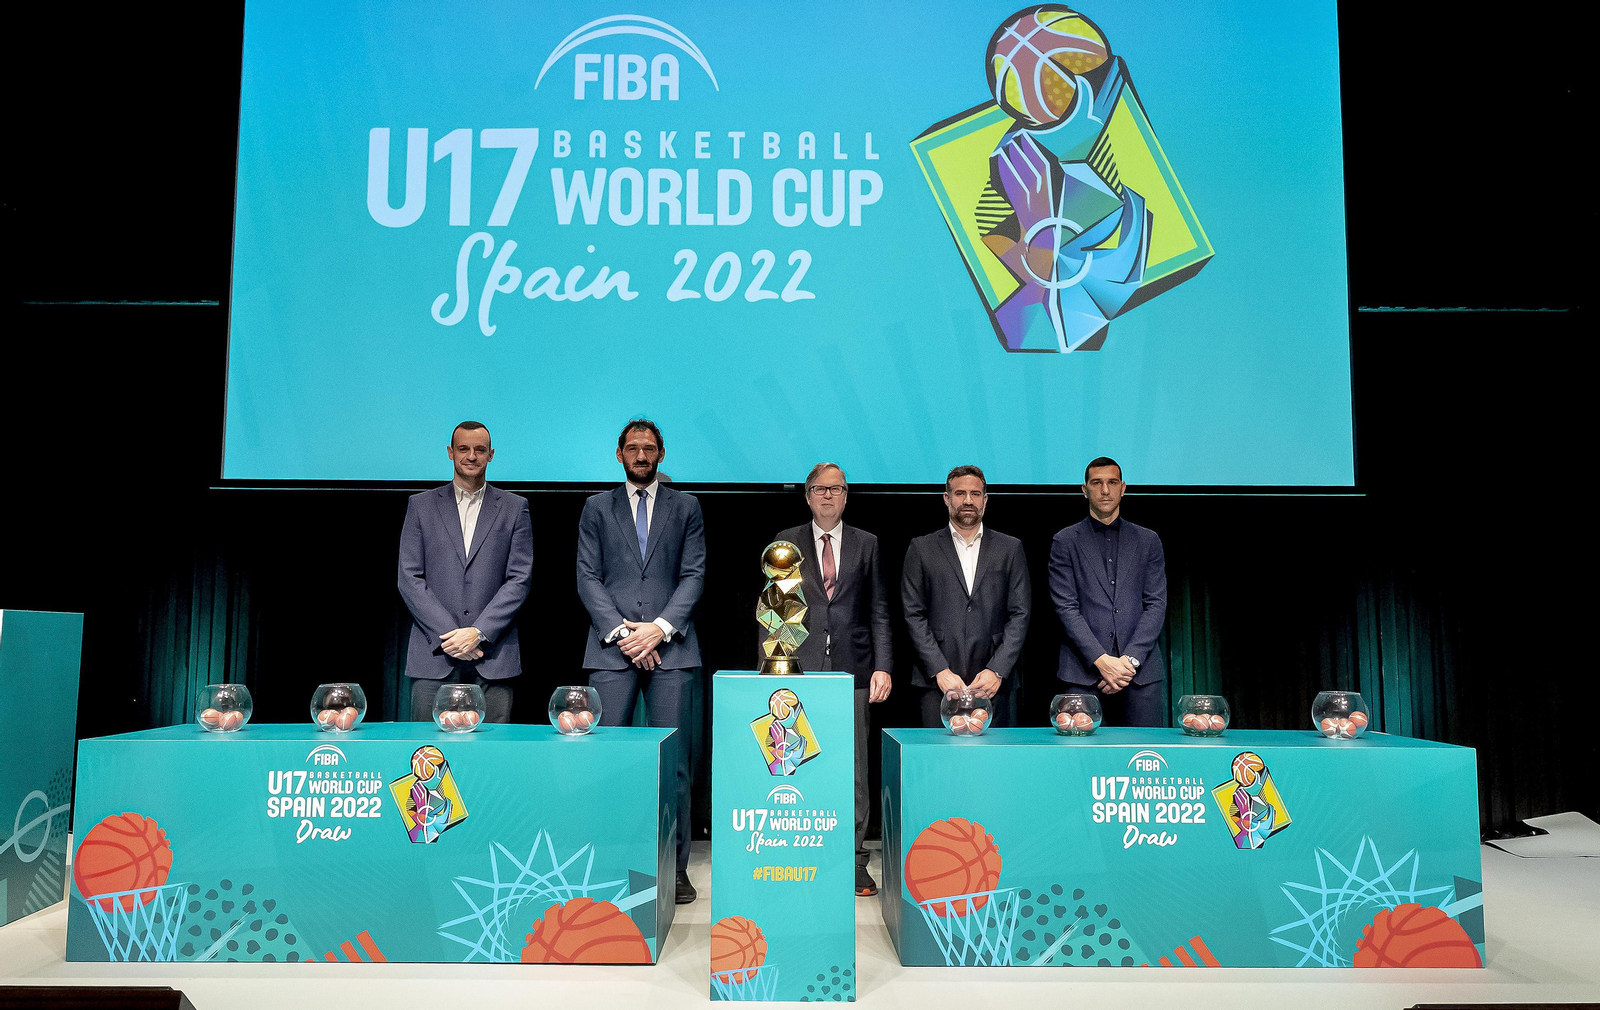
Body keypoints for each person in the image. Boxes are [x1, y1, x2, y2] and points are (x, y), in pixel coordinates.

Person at [577, 418, 706, 904]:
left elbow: (693, 575)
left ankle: (673, 869)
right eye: (632, 448)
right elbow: (587, 576)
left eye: (649, 448)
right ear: (619, 454)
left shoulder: (687, 507)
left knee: (673, 766)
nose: (640, 455)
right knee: (608, 760)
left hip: (670, 648)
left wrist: (658, 630)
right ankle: (610, 862)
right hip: (612, 648)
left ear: (661, 453)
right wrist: (623, 633)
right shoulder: (595, 508)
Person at [769, 463, 892, 897]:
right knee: (795, 762)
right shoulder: (785, 542)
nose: (827, 496)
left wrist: (883, 665)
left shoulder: (868, 543)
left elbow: (879, 609)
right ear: (807, 495)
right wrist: (773, 671)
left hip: (853, 668)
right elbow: (775, 614)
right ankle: (799, 854)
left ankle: (855, 859)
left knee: (855, 769)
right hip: (797, 670)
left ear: (845, 495)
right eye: (819, 489)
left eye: (836, 489)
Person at [397, 421, 533, 723]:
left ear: (491, 454)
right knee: (427, 754)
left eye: (479, 450)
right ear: (450, 452)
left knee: (492, 759)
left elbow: (519, 579)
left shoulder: (514, 508)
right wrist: (453, 636)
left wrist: (478, 633)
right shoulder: (420, 506)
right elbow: (409, 578)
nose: (471, 456)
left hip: (493, 655)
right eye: (463, 449)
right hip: (435, 654)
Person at [901, 465, 1031, 728]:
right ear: (947, 498)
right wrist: (940, 670)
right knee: (940, 765)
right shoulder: (922, 548)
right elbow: (913, 613)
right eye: (960, 493)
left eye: (975, 493)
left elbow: (1020, 614)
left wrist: (997, 670)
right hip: (937, 683)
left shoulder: (1010, 548)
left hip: (995, 684)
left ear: (985, 499)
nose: (968, 500)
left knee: (995, 765)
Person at [1048, 456, 1168, 726]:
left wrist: (1128, 663)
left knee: (1143, 760)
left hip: (1140, 675)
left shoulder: (1148, 540)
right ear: (1084, 489)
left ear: (1123, 487)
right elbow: (1066, 608)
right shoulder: (1064, 541)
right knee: (1080, 762)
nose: (1105, 490)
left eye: (1112, 483)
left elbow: (1156, 604)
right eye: (1097, 483)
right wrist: (1102, 661)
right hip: (1082, 673)